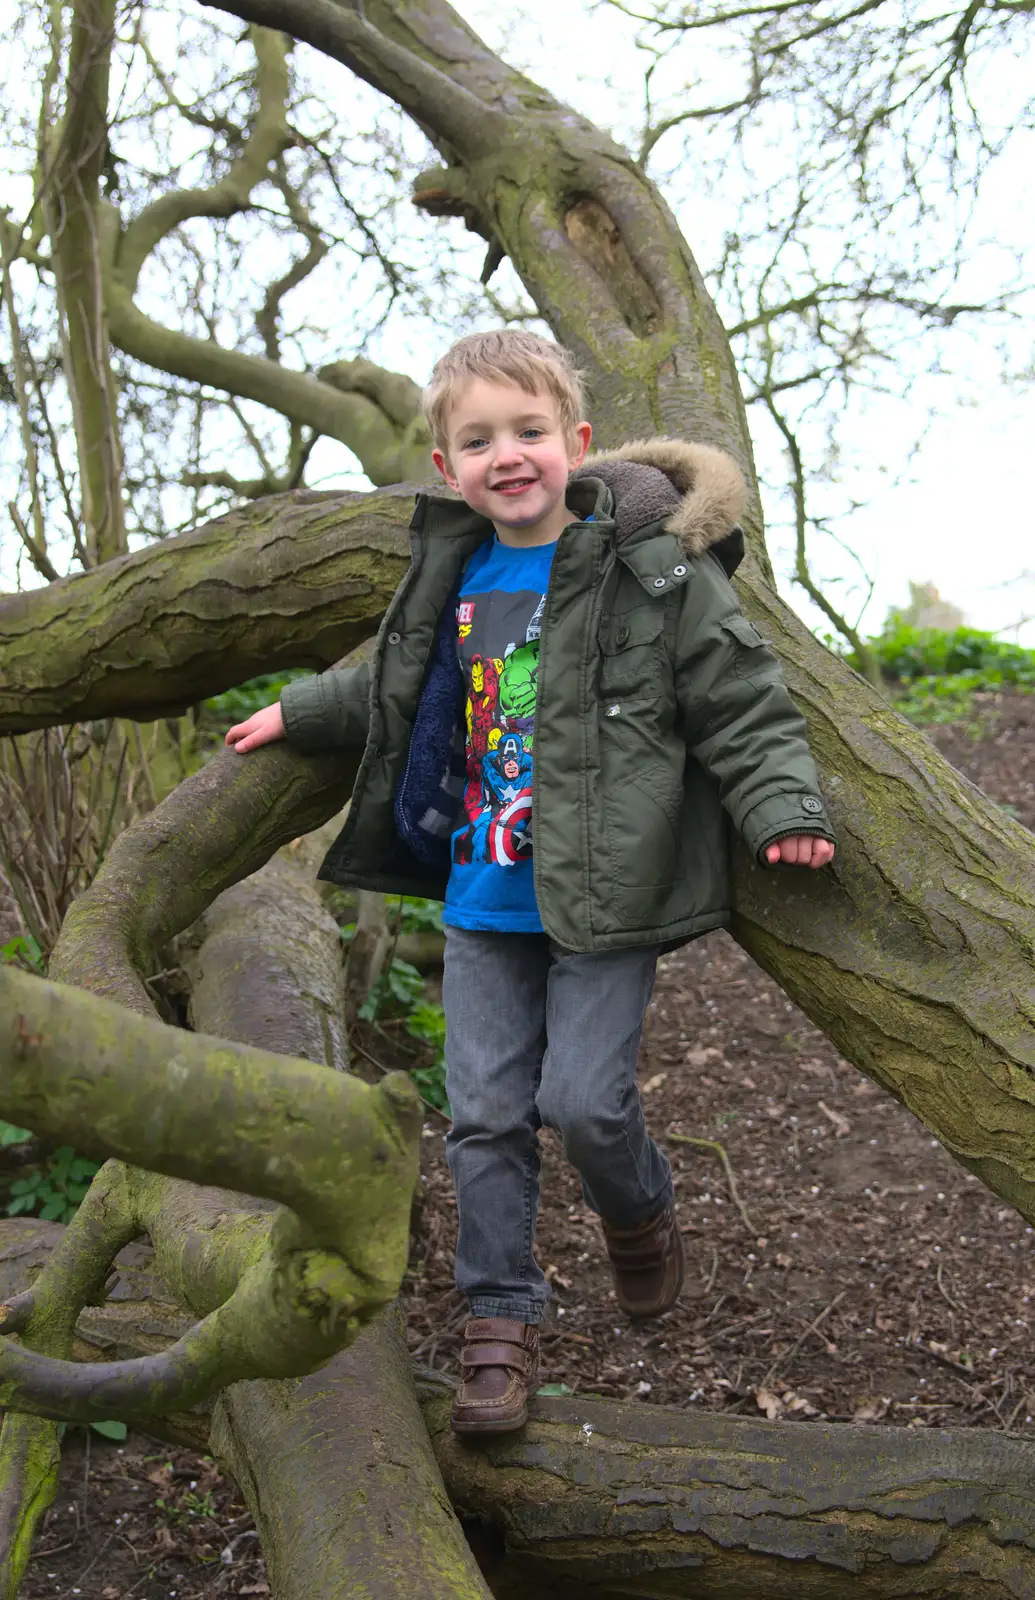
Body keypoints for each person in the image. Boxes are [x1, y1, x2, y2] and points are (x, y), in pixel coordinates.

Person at [225, 329, 837, 1436]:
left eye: (528, 431)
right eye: (477, 439)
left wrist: (783, 808)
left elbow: (740, 697)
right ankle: (498, 1326)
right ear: (447, 467)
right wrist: (299, 711)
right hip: (483, 901)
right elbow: (395, 686)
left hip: (608, 898)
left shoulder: (650, 570)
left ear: (578, 443)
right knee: (485, 1118)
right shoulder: (455, 575)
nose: (506, 454)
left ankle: (641, 1211)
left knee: (586, 1104)